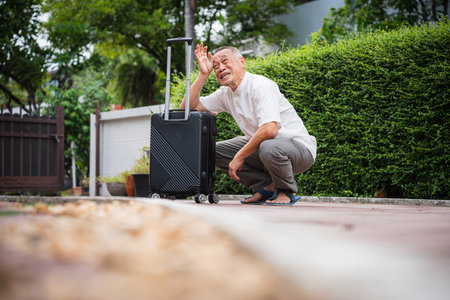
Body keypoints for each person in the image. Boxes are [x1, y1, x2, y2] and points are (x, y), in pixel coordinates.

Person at [180, 43, 316, 205]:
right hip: (266, 147)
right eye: (216, 66)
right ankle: (266, 187)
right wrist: (203, 74)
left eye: (225, 61)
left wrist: (239, 156)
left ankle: (285, 191)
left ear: (242, 62)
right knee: (211, 150)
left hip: (299, 149)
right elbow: (187, 108)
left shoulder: (260, 85)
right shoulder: (225, 94)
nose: (221, 68)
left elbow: (270, 129)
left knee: (268, 146)